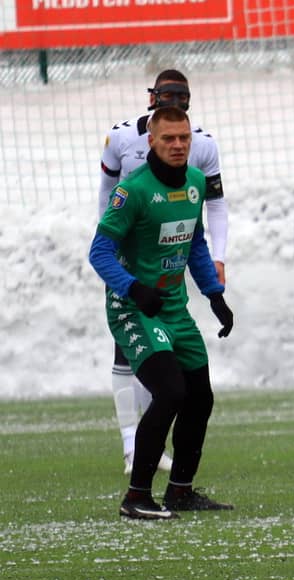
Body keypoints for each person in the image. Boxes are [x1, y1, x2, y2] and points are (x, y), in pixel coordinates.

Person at [88, 106, 235, 520]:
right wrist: (134, 288)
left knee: (200, 397)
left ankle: (181, 492)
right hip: (133, 309)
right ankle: (136, 497)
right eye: (168, 138)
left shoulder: (195, 182)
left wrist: (215, 295)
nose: (177, 145)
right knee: (170, 392)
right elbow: (99, 252)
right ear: (151, 141)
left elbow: (195, 243)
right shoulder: (132, 191)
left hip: (173, 308)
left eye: (184, 138)